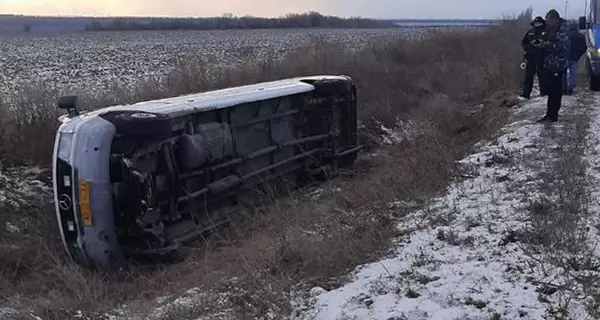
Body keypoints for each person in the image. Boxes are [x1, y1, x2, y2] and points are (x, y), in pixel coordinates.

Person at [537, 9, 570, 123]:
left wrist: (545, 45)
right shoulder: (550, 30)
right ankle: (549, 114)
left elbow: (562, 47)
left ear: (554, 20)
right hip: (550, 65)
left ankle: (552, 115)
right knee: (550, 91)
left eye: (548, 20)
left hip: (558, 65)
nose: (547, 23)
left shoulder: (563, 30)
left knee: (555, 92)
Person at [520, 16, 548, 100]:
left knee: (542, 75)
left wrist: (542, 45)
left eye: (539, 23)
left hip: (542, 57)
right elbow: (524, 42)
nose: (537, 24)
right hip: (531, 57)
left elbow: (549, 42)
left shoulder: (546, 31)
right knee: (528, 76)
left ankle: (544, 92)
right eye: (536, 23)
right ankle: (526, 94)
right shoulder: (530, 31)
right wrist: (528, 48)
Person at [564, 22, 587, 95]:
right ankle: (570, 88)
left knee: (564, 73)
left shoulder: (565, 35)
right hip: (574, 58)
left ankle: (563, 87)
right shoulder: (580, 36)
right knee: (572, 73)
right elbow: (584, 48)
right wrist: (579, 55)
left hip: (565, 57)